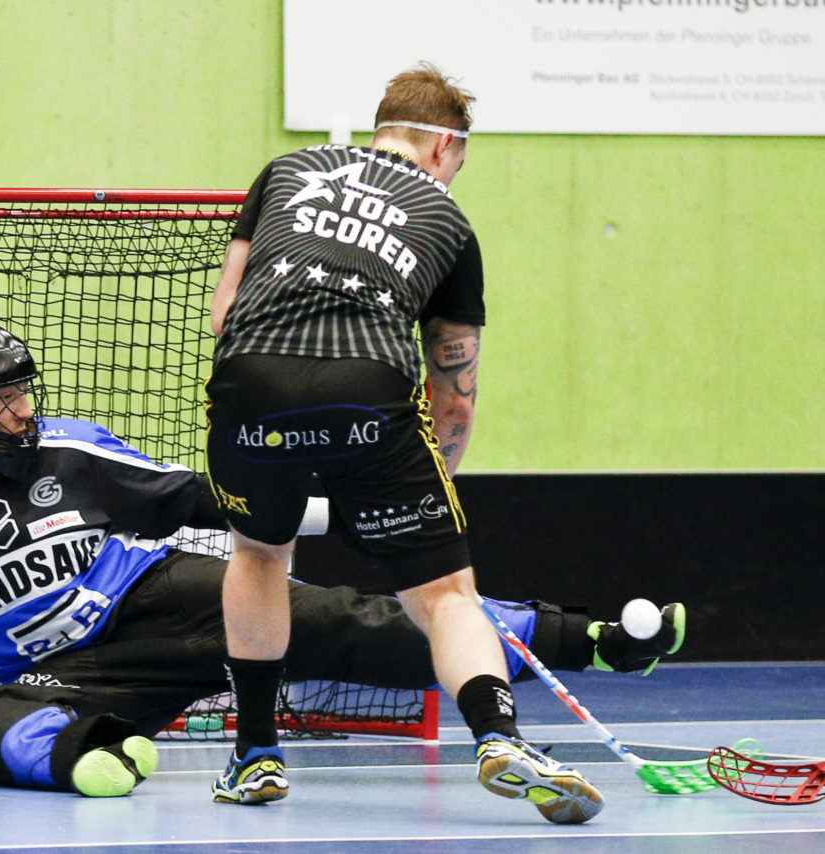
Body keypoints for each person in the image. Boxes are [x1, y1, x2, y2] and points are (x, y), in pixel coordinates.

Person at [0, 313, 686, 815]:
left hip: (169, 598)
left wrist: (355, 513)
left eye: (24, 391)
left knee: (356, 624)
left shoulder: (71, 451)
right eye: (3, 397)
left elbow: (207, 501)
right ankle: (90, 756)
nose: (23, 410)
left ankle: (595, 640)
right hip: (71, 676)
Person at [204, 62, 604, 821]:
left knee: (257, 555)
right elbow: (453, 392)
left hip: (249, 386)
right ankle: (498, 737)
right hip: (368, 391)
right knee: (446, 593)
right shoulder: (449, 221)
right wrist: (425, 501)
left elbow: (225, 311)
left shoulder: (287, 170)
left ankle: (255, 755)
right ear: (445, 147)